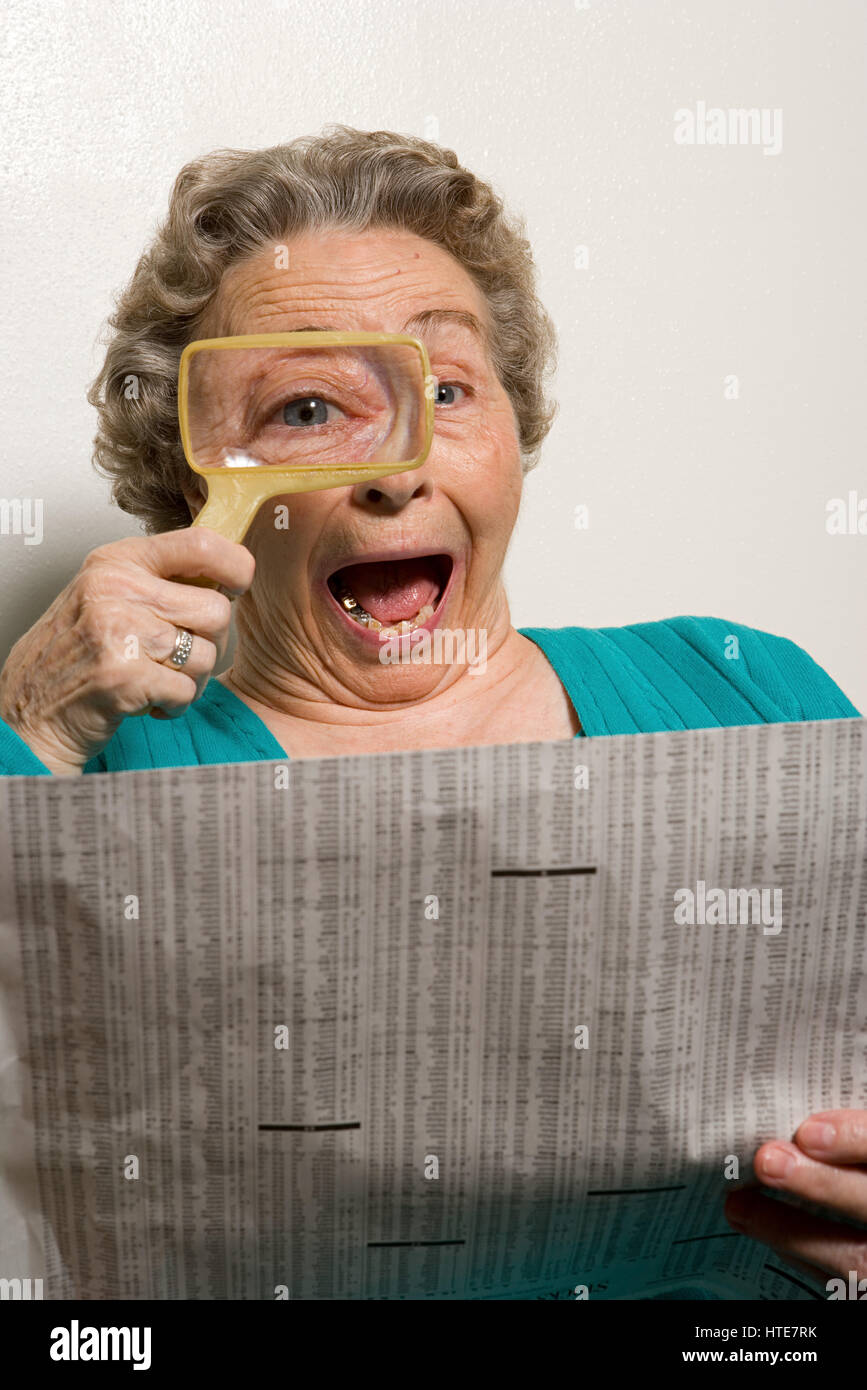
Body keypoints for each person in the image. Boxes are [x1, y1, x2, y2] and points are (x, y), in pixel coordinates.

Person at [0, 126, 862, 1296]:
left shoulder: (747, 693)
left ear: (515, 428)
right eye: (307, 408)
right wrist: (28, 731)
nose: (396, 473)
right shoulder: (89, 777)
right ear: (196, 478)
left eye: (446, 388)